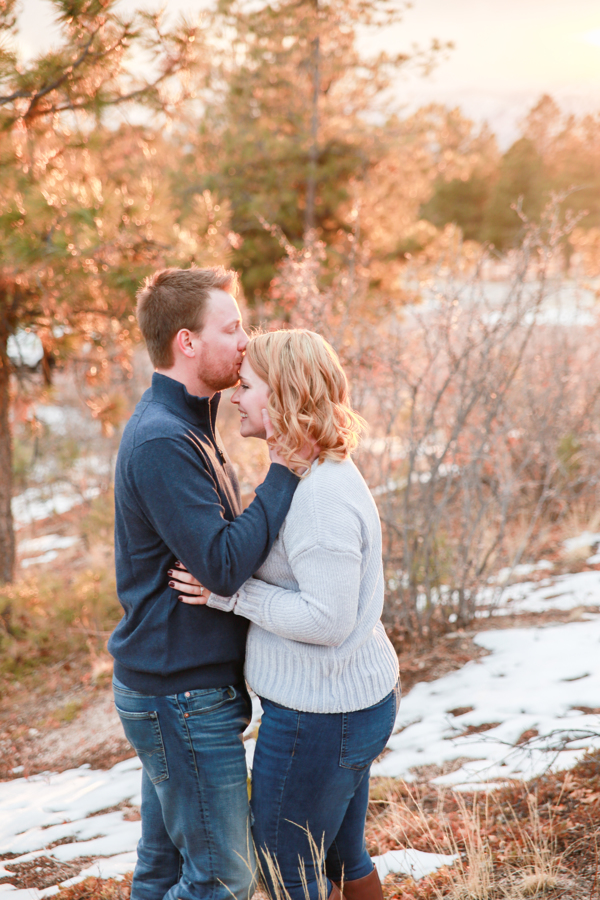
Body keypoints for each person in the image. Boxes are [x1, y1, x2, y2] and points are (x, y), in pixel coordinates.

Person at [170, 330, 401, 900]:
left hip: (322, 715)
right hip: (340, 702)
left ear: (284, 396)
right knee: (345, 857)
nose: (234, 397)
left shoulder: (321, 496)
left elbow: (326, 621)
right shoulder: (306, 474)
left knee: (283, 868)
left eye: (247, 387)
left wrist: (230, 595)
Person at [108, 267, 300, 900]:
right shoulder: (163, 439)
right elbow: (220, 564)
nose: (246, 340)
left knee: (163, 873)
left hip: (176, 690)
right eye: (232, 326)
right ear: (187, 342)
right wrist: (284, 469)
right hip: (180, 696)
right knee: (223, 878)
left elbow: (216, 558)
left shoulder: (188, 422)